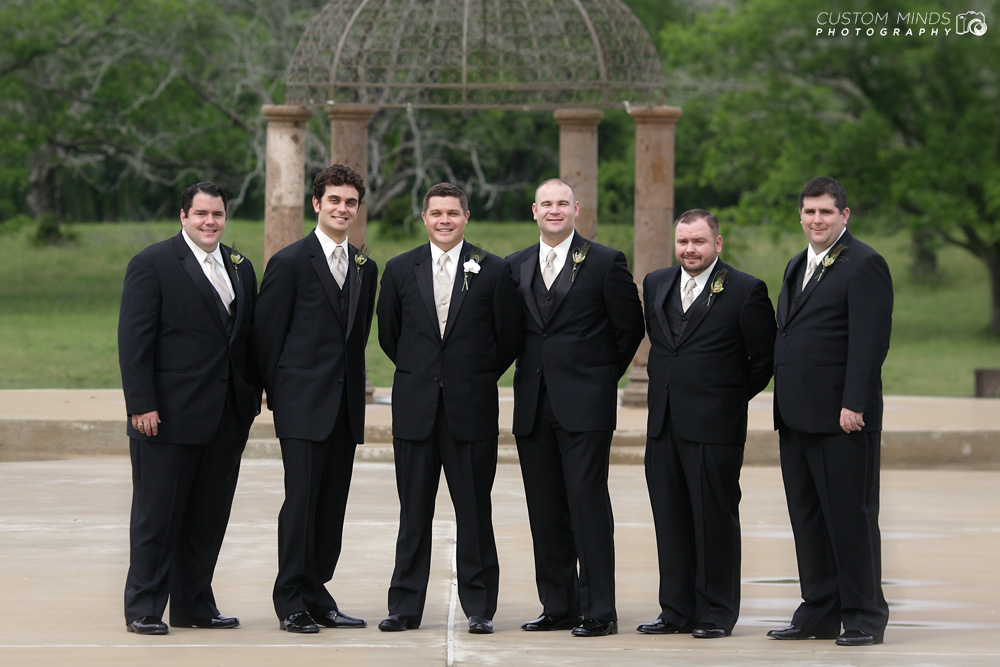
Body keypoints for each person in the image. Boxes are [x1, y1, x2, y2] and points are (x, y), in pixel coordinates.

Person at [375, 183, 522, 635]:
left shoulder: (494, 270)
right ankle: (404, 607)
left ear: (466, 217)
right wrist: (423, 372)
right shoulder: (400, 269)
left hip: (471, 409)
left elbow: (508, 338)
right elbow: (389, 335)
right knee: (412, 513)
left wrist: (471, 375)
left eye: (452, 213)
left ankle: (479, 607)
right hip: (416, 409)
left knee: (475, 511)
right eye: (436, 212)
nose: (444, 220)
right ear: (424, 218)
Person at [119, 181, 260, 635]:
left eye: (217, 214)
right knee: (157, 518)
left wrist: (248, 399)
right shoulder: (152, 264)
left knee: (207, 518)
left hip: (225, 416)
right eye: (200, 214)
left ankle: (194, 604)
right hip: (168, 418)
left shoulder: (241, 267)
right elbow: (134, 341)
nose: (209, 222)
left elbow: (244, 340)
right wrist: (142, 404)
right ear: (183, 216)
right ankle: (143, 607)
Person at [506, 178, 644, 637]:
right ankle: (558, 605)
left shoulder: (605, 262)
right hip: (532, 407)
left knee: (587, 505)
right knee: (544, 510)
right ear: (534, 210)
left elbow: (628, 328)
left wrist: (600, 377)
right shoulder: (516, 266)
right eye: (546, 203)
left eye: (562, 203)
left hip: (585, 406)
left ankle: (600, 610)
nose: (554, 210)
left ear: (576, 209)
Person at [636, 209, 776, 639]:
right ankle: (675, 609)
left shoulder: (745, 290)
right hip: (663, 425)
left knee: (713, 520)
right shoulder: (656, 283)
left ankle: (716, 612)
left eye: (698, 242)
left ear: (717, 244)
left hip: (715, 427)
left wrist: (725, 397)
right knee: (670, 519)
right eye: (683, 242)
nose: (690, 250)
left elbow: (763, 360)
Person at [252, 164, 377, 634]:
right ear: (317, 205)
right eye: (335, 201)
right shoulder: (288, 263)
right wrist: (279, 398)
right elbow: (267, 338)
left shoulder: (367, 268)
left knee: (332, 505)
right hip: (302, 405)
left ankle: (317, 590)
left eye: (350, 202)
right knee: (301, 502)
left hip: (344, 408)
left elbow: (357, 337)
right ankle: (290, 598)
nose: (342, 209)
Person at [768, 177, 892, 647]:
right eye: (809, 212)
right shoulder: (797, 263)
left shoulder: (865, 264)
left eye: (825, 212)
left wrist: (854, 403)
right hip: (796, 416)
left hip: (843, 419)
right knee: (808, 517)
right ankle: (819, 611)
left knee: (850, 517)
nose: (816, 220)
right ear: (800, 216)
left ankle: (863, 615)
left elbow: (870, 340)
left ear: (845, 215)